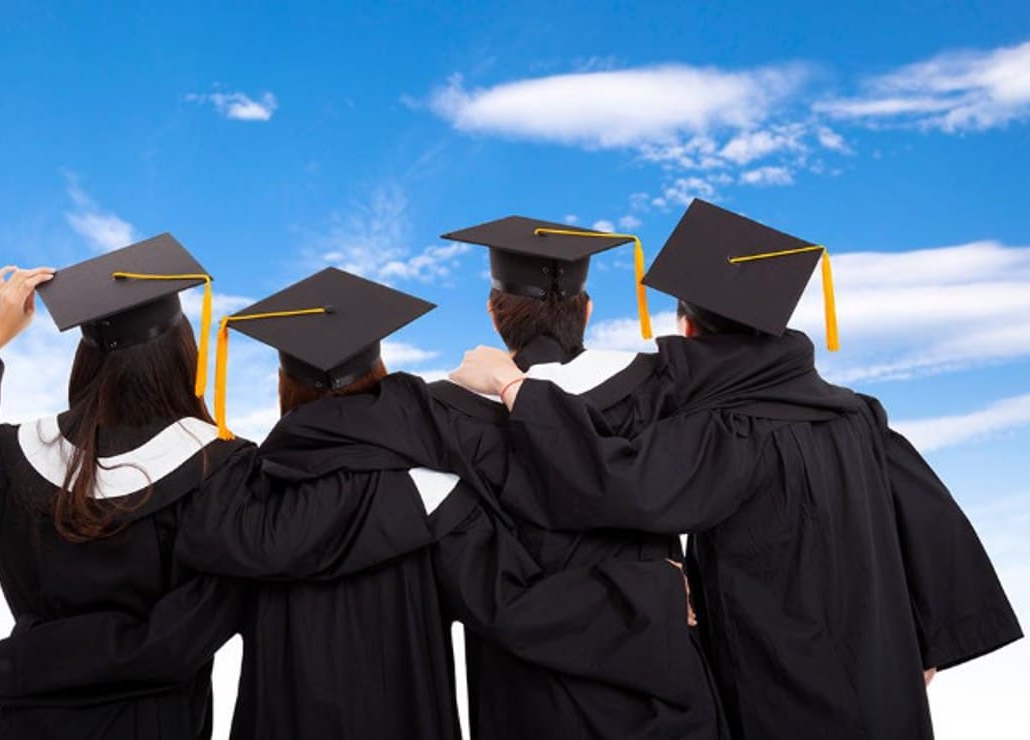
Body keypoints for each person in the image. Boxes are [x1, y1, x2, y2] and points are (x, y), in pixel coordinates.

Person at [0, 267, 691, 740]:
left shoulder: (233, 500)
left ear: (286, 385)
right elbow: (516, 607)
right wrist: (652, 591)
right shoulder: (438, 490)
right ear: (381, 371)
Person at [448, 198, 1024, 740]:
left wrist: (513, 386)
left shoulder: (726, 430)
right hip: (881, 674)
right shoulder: (855, 414)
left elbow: (623, 487)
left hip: (782, 678)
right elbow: (934, 522)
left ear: (687, 329)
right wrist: (928, 644)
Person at [0, 239, 453, 740]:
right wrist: (420, 486)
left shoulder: (8, 462)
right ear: (184, 355)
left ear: (86, 358)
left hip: (24, 723)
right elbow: (291, 537)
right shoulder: (220, 473)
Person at [240, 218, 730, 739]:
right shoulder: (661, 389)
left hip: (525, 699)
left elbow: (341, 422)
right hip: (664, 685)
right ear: (587, 310)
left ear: (494, 315)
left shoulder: (441, 417)